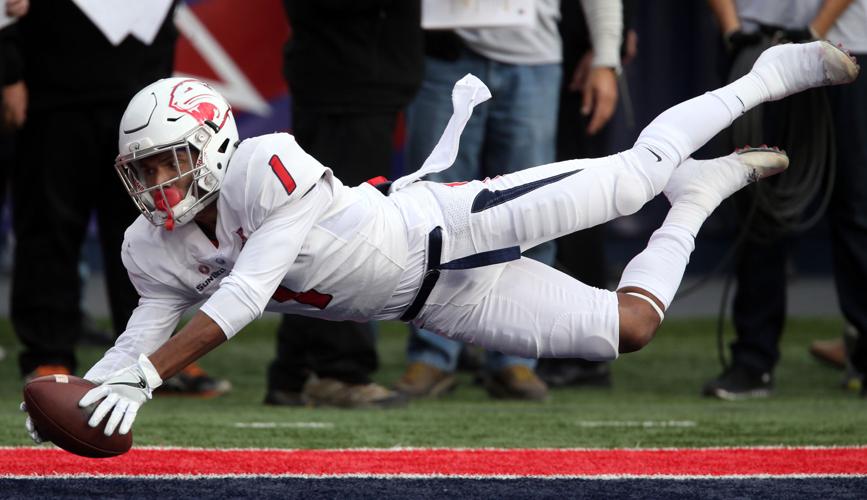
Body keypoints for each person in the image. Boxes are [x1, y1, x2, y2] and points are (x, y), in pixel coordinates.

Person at [20, 40, 858, 440]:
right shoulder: (149, 247)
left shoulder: (267, 163)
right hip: (439, 303)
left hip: (451, 225)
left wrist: (145, 379)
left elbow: (244, 296)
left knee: (634, 176)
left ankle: (765, 75)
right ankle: (702, 193)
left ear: (210, 144)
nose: (156, 186)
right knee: (629, 330)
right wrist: (78, 400)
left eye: (168, 163)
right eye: (144, 171)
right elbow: (140, 335)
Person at [394, 0, 623, 401]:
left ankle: (516, 354)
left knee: (534, 216)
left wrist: (606, 57)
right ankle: (433, 353)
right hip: (441, 52)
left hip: (533, 58)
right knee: (431, 214)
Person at [8, 0, 227, 396]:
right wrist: (8, 69)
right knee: (48, 219)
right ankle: (49, 351)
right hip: (52, 78)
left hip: (140, 79)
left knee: (150, 221)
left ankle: (157, 354)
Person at [703, 0, 867, 400]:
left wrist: (816, 27)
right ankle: (753, 362)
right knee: (759, 200)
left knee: (857, 207)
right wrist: (730, 27)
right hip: (756, 47)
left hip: (846, 45)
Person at [264, 0, 423, 409]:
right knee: (346, 235)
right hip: (347, 79)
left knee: (314, 227)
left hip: (352, 77)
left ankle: (296, 370)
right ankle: (335, 371)